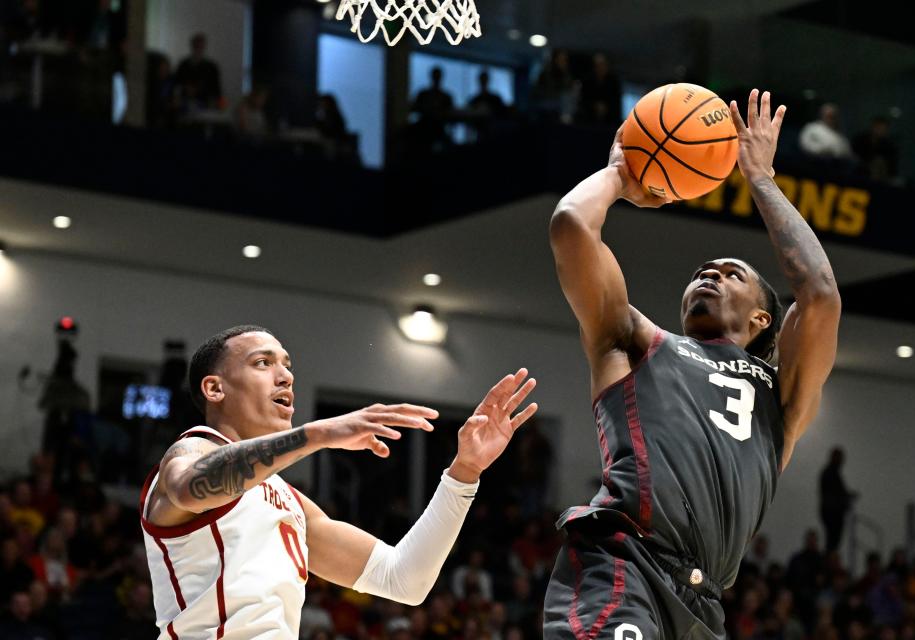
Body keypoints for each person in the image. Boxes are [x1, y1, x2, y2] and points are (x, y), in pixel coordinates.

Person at [544, 89, 841, 639]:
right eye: (705, 268)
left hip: (702, 606)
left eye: (733, 273)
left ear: (761, 322)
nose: (712, 272)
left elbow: (819, 292)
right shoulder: (636, 342)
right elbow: (571, 226)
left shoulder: (781, 396)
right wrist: (617, 173)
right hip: (623, 565)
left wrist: (761, 178)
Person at [139, 325, 537, 639]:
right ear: (215, 388)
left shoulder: (287, 500)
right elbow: (189, 487)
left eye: (288, 365)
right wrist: (319, 434)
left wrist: (464, 472)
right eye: (263, 363)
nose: (285, 377)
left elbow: (403, 579)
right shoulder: (191, 450)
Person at [819, 447, 855, 553]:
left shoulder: (830, 472)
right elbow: (834, 492)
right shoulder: (831, 473)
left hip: (832, 512)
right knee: (833, 542)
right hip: (833, 513)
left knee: (833, 542)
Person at [175, 33, 222, 112]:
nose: (198, 49)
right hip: (185, 103)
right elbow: (177, 83)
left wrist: (216, 102)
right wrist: (186, 88)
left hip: (205, 102)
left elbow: (216, 88)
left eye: (200, 46)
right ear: (192, 46)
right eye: (196, 46)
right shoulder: (183, 65)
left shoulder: (211, 67)